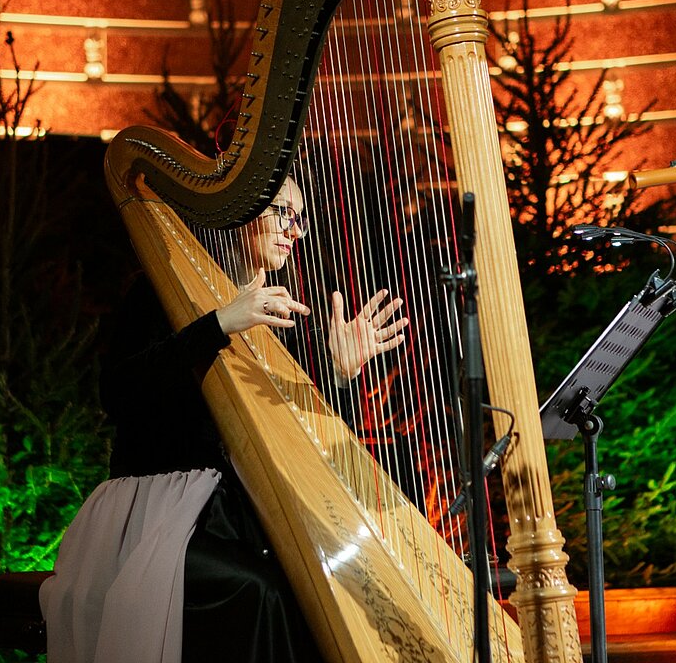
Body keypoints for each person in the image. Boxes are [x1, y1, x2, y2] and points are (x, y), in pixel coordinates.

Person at [40, 176, 407, 663]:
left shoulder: (281, 314)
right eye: (282, 212)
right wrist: (219, 324)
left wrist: (338, 373)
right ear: (238, 213)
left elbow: (301, 439)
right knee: (262, 592)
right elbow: (119, 393)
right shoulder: (160, 287)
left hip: (237, 516)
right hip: (159, 512)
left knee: (324, 586)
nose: (294, 231)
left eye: (300, 218)